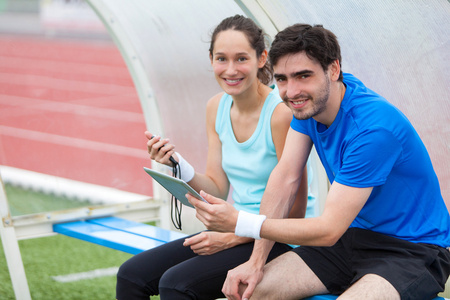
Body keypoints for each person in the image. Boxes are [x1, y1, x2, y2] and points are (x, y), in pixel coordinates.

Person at [188, 23, 450, 300]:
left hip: (411, 249)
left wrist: (240, 222)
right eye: (283, 79)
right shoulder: (311, 106)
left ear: (333, 69)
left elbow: (327, 229)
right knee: (245, 292)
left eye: (303, 75)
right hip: (351, 238)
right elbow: (285, 178)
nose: (292, 91)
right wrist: (255, 262)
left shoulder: (373, 130)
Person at [115, 15, 310, 300]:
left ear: (261, 58)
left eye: (241, 58)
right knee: (130, 275)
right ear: (211, 60)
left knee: (176, 285)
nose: (230, 70)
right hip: (234, 228)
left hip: (281, 238)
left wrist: (232, 236)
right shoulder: (216, 107)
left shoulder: (280, 114)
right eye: (221, 59)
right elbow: (217, 187)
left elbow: (296, 214)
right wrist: (176, 164)